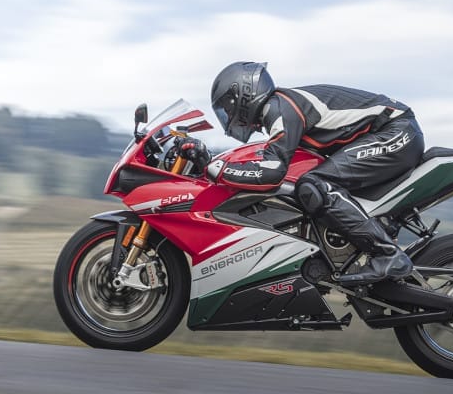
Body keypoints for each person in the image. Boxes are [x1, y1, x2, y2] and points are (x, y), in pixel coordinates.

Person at [180, 61, 424, 284]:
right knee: (311, 183)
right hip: (390, 132)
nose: (227, 115)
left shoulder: (279, 108)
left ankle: (387, 255)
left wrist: (217, 168)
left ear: (242, 95)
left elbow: (272, 172)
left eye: (226, 108)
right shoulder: (280, 109)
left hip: (396, 129)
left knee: (315, 184)